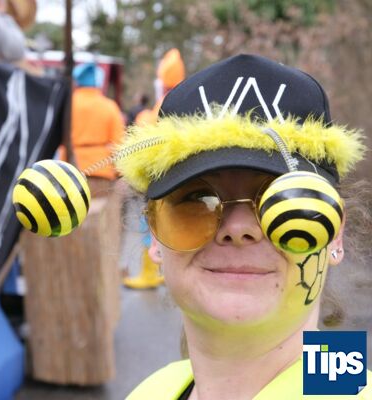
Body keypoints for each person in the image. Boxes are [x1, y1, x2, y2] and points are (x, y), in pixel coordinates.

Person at [113, 54, 372, 399]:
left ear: (334, 233)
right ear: (155, 231)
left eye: (283, 199)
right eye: (198, 198)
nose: (237, 228)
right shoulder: (153, 390)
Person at [122, 48, 185, 289]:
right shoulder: (186, 100)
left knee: (150, 224)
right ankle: (164, 272)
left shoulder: (163, 104)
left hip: (157, 176)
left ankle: (150, 274)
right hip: (177, 176)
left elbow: (145, 131)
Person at [60, 62, 125, 196]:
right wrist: (119, 172)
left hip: (69, 169)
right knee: (98, 209)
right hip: (101, 170)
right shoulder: (109, 106)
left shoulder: (67, 104)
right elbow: (119, 144)